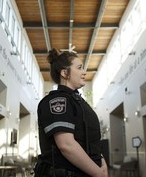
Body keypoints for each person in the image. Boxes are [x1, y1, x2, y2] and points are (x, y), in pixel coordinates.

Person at [36, 48, 108, 177]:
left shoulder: (78, 101)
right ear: (65, 73)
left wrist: (101, 162)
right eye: (79, 68)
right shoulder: (58, 100)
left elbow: (90, 140)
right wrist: (98, 173)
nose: (84, 72)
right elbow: (66, 145)